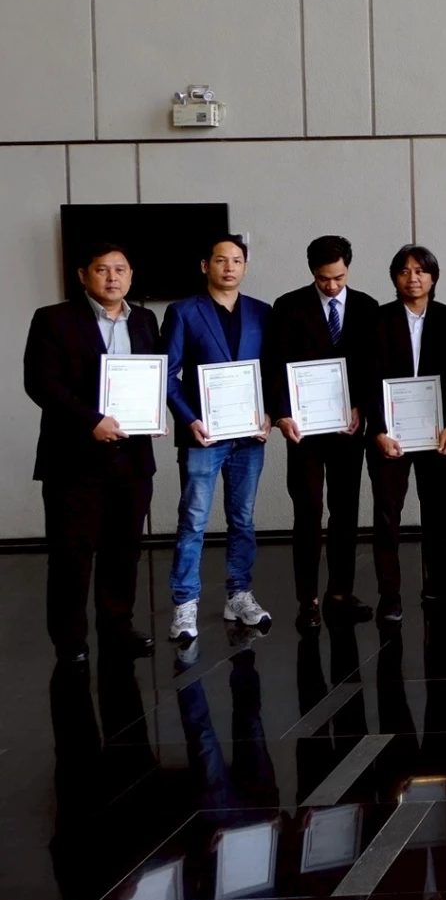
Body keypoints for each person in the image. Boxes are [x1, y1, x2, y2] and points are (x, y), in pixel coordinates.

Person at [25, 242, 162, 664]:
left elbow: (153, 376)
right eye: (102, 269)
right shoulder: (53, 319)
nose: (112, 277)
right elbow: (41, 383)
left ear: (131, 275)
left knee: (124, 549)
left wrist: (154, 413)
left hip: (132, 458)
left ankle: (117, 627)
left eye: (120, 269)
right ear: (84, 275)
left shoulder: (144, 320)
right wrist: (91, 421)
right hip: (73, 459)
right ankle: (70, 639)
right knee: (71, 553)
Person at [162, 234, 272, 641]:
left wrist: (270, 414)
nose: (229, 267)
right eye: (221, 260)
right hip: (203, 436)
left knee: (243, 518)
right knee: (193, 520)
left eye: (237, 260)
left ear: (245, 267)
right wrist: (189, 419)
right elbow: (167, 373)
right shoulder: (183, 312)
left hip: (249, 438)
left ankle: (239, 595)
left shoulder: (261, 312)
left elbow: (272, 371)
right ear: (205, 266)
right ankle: (185, 603)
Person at [264, 235, 379, 627]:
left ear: (348, 268)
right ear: (312, 271)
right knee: (308, 511)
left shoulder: (366, 307)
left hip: (348, 428)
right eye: (323, 278)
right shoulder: (288, 305)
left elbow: (371, 366)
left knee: (345, 511)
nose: (331, 285)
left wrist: (361, 407)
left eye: (339, 278)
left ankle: (340, 592)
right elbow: (275, 365)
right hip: (305, 431)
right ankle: (308, 599)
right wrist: (281, 415)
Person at [362, 245, 446, 623]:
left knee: (436, 511)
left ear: (433, 277)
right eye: (404, 271)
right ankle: (389, 594)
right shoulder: (376, 320)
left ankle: (437, 583)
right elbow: (367, 380)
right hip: (388, 436)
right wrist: (377, 430)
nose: (413, 278)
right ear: (395, 278)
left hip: (438, 433)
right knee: (387, 515)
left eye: (421, 271)